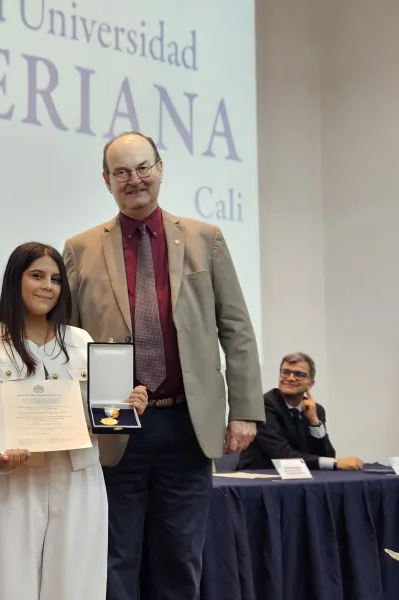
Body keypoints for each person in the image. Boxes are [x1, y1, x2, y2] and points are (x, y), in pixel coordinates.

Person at [62, 131, 264, 600]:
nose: (134, 180)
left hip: (187, 422)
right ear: (107, 181)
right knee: (115, 555)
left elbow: (236, 328)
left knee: (180, 556)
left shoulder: (205, 239)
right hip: (113, 422)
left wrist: (245, 410)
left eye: (142, 168)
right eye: (121, 172)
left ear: (160, 168)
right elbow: (67, 341)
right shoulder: (81, 247)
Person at [0, 242, 148, 600]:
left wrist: (129, 404)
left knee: (78, 589)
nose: (47, 286)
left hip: (79, 480)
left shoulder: (80, 339)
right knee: (12, 588)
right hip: (16, 483)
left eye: (55, 279)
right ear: (14, 280)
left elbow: (103, 410)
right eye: (36, 275)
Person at [237, 352, 363, 471]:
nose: (290, 378)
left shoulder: (316, 410)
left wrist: (314, 423)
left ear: (310, 384)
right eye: (285, 372)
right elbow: (282, 455)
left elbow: (326, 455)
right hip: (260, 479)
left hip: (299, 480)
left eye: (299, 374)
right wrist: (334, 463)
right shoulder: (263, 405)